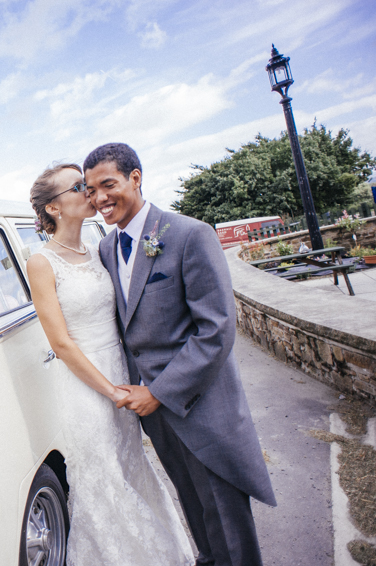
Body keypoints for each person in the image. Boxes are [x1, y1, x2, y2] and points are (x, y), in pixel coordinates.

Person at [84, 143, 276, 566]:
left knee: (228, 532)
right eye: (90, 189)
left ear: (136, 178)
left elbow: (217, 329)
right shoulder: (106, 248)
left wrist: (159, 391)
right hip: (156, 418)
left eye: (108, 185)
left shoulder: (190, 234)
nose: (99, 199)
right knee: (199, 521)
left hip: (200, 408)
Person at [27, 163, 194, 566]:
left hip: (122, 374)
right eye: (79, 186)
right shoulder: (42, 263)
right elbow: (62, 344)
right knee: (104, 481)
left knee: (132, 467)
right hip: (88, 388)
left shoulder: (99, 249)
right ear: (54, 207)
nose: (91, 192)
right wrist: (112, 391)